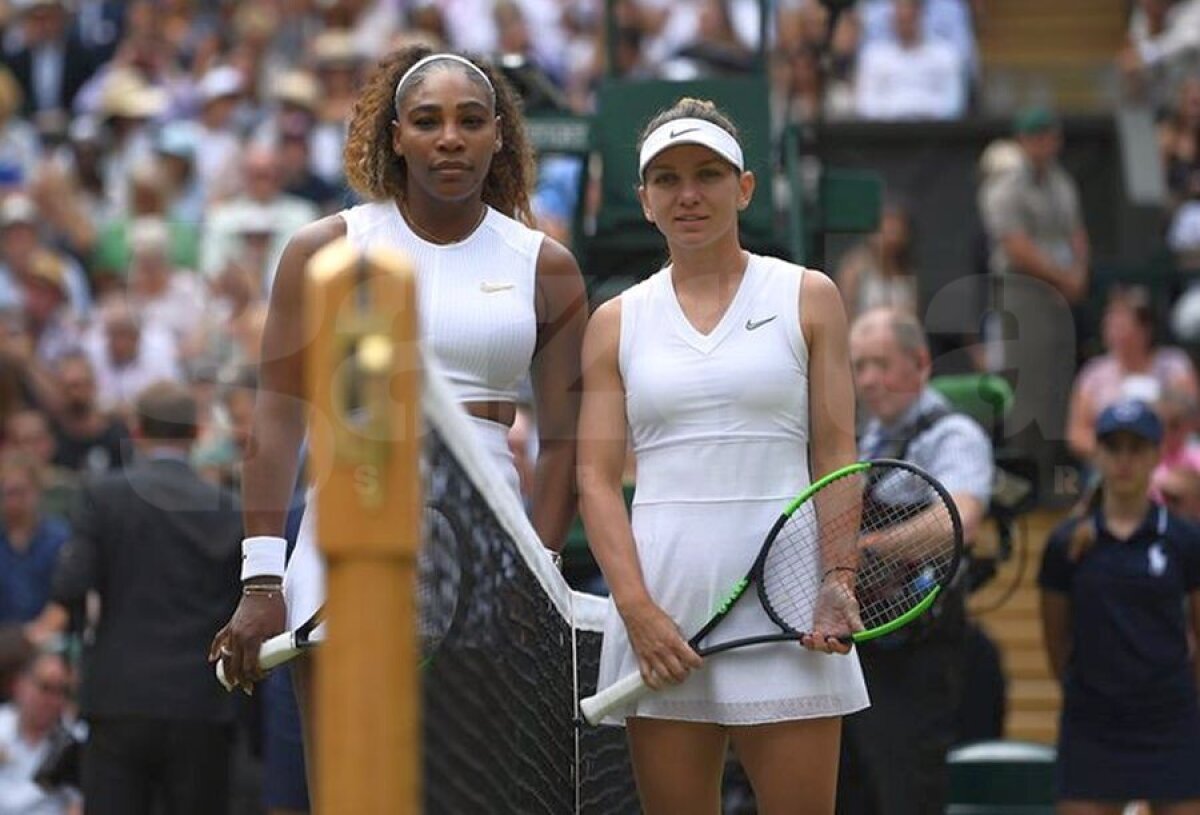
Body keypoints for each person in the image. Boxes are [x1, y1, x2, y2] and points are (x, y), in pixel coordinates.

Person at [211, 43, 586, 757]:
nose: (450, 138)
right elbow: (277, 419)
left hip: (492, 559)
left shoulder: (547, 265)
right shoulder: (320, 250)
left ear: (499, 136)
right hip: (342, 545)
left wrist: (539, 571)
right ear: (396, 136)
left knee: (472, 791)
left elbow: (568, 441)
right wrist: (261, 579)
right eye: (427, 120)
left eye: (471, 120)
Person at [578, 97, 867, 814]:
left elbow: (837, 450)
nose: (688, 194)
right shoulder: (614, 321)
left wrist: (838, 576)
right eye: (667, 179)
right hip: (661, 605)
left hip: (790, 606)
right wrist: (636, 609)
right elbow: (595, 478)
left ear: (744, 188)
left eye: (707, 174)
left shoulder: (810, 296)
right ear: (644, 200)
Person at [47, 382, 244, 815]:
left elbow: (70, 586)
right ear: (196, 433)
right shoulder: (228, 507)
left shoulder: (104, 496)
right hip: (201, 700)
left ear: (136, 432)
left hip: (119, 696)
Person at [839, 306, 994, 815]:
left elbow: (958, 522)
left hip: (919, 655)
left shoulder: (954, 436)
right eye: (859, 366)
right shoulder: (867, 440)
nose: (868, 380)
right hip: (860, 649)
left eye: (881, 364)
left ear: (921, 363)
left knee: (906, 794)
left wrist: (866, 549)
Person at [1039, 399, 1200, 810]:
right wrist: (1086, 692)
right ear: (1097, 454)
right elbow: (1056, 639)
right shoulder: (1065, 543)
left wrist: (1181, 696)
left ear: (1156, 455)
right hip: (1093, 723)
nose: (1124, 460)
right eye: (1114, 448)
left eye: (1136, 448)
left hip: (1170, 721)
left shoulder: (1183, 539)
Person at [0, 650, 80, 815]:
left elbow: (79, 803)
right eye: (45, 688)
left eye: (62, 691)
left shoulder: (75, 741)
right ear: (20, 685)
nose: (53, 700)